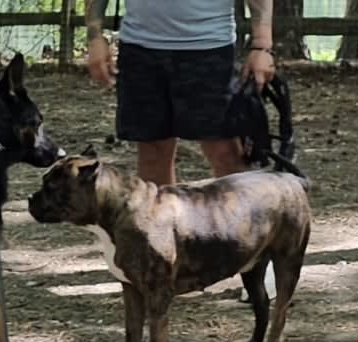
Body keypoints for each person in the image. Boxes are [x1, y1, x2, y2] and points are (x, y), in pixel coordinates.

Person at [84, 0, 277, 300]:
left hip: (208, 47)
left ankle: (254, 267)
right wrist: (95, 37)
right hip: (140, 49)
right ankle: (167, 260)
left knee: (227, 153)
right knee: (153, 151)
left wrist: (262, 45)